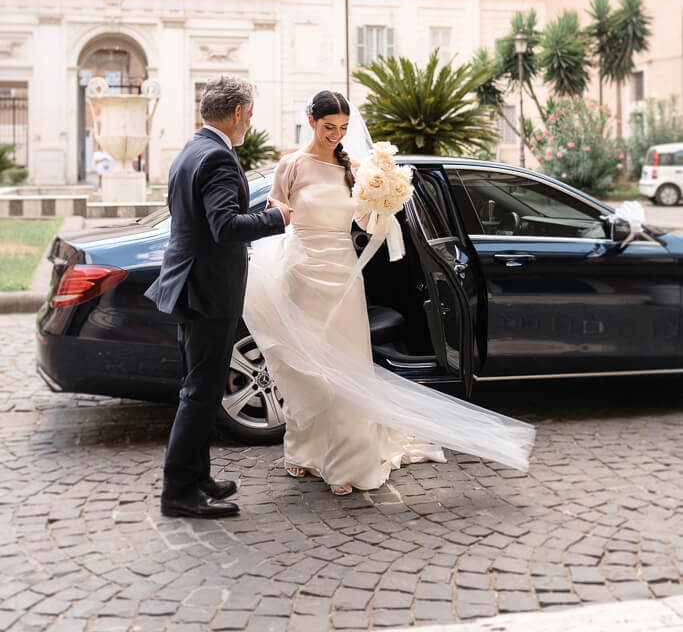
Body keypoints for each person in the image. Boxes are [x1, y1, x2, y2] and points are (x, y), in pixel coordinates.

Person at [244, 90, 535, 497]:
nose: (336, 135)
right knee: (304, 370)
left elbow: (363, 223)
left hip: (343, 274)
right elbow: (276, 216)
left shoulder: (356, 170)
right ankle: (304, 452)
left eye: (343, 129)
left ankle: (347, 462)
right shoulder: (290, 166)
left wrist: (383, 205)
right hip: (301, 271)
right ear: (311, 120)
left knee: (347, 370)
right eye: (329, 127)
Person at [145, 76, 292, 518]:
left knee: (197, 389)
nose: (250, 120)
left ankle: (198, 476)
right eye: (249, 113)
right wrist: (278, 218)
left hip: (189, 285)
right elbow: (224, 227)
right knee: (200, 394)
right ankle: (179, 492)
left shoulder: (191, 152)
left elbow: (208, 218)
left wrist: (258, 212)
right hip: (207, 292)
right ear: (237, 114)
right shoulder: (219, 159)